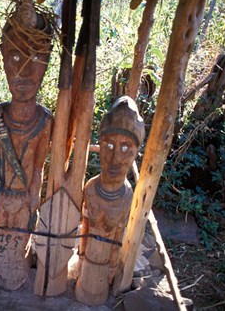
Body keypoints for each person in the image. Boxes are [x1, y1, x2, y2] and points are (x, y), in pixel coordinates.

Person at [0, 0, 54, 290]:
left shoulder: (44, 121)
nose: (24, 70)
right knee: (1, 243)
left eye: (35, 57)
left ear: (48, 61)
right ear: (2, 58)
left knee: (18, 248)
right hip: (3, 197)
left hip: (24, 201)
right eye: (14, 55)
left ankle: (15, 275)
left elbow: (39, 165)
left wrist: (32, 198)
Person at [75, 96, 145, 305]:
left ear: (135, 153)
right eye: (108, 145)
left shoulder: (127, 196)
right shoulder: (90, 188)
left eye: (125, 148)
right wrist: (80, 258)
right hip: (85, 268)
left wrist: (111, 272)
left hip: (105, 273)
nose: (115, 159)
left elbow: (119, 238)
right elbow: (84, 229)